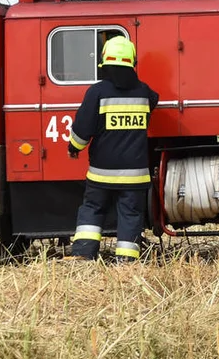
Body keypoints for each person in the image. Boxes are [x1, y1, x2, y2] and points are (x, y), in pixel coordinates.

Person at [67, 36, 159, 262]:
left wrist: (74, 147)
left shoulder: (97, 92)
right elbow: (154, 100)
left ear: (104, 61)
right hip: (135, 174)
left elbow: (83, 127)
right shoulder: (144, 92)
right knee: (130, 214)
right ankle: (127, 261)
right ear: (132, 62)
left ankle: (84, 255)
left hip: (101, 172)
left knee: (92, 209)